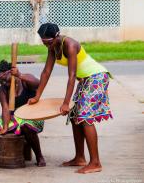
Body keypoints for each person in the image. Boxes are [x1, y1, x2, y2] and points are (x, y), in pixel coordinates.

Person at [28, 22, 113, 174]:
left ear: (56, 36)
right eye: (43, 42)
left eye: (48, 42)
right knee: (75, 117)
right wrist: (37, 96)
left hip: (96, 77)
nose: (47, 45)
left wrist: (66, 103)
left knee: (85, 117)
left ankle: (95, 162)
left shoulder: (70, 45)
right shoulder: (53, 48)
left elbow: (72, 76)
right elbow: (46, 72)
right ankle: (79, 157)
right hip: (85, 80)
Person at [0, 60, 46, 167]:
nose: (3, 83)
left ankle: (39, 156)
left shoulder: (24, 80)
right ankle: (6, 153)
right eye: (0, 82)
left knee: (26, 126)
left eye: (4, 79)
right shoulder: (3, 90)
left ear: (9, 72)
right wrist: (5, 127)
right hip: (13, 117)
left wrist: (19, 75)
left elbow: (39, 83)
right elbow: (5, 108)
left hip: (31, 117)